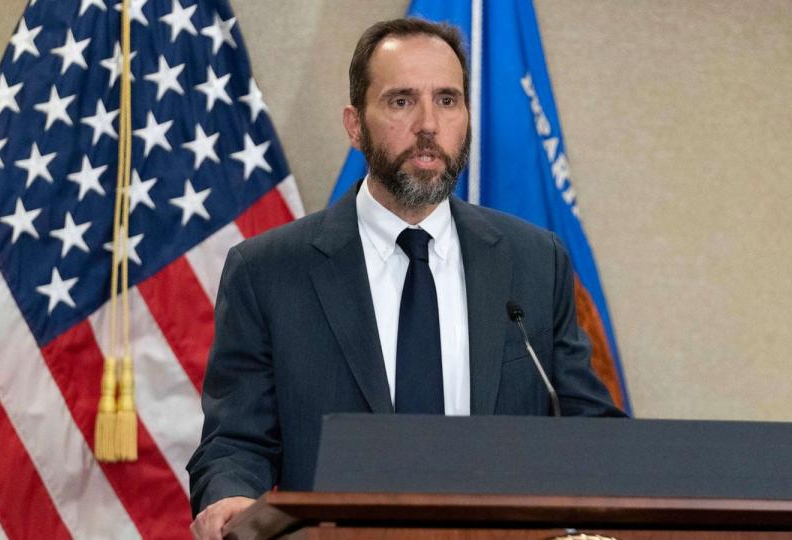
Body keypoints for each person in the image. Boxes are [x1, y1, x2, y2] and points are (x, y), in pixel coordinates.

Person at [187, 17, 626, 539]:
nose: (428, 124)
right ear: (355, 125)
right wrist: (232, 495)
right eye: (401, 101)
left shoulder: (534, 260)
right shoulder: (269, 272)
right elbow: (236, 440)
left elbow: (586, 427)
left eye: (447, 100)